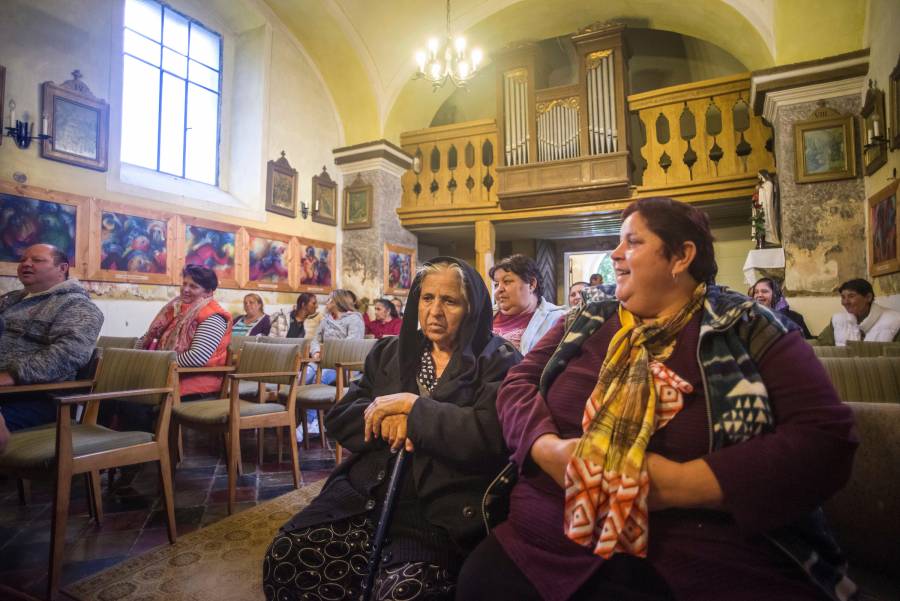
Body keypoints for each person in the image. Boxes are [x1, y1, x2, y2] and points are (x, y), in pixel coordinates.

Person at [458, 197, 858, 601]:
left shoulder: (747, 326)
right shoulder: (586, 319)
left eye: (632, 242)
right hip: (543, 541)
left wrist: (676, 485)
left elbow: (825, 440)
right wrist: (550, 450)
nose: (614, 254)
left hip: (700, 555)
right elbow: (517, 384)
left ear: (681, 256)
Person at [263, 257, 520, 601]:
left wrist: (415, 413)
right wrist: (388, 419)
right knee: (287, 556)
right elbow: (341, 417)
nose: (435, 311)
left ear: (472, 308)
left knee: (403, 592)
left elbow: (488, 433)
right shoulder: (390, 352)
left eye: (450, 301)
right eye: (428, 298)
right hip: (365, 497)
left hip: (435, 513)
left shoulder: (498, 359)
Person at [0, 244, 104, 431]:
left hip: (35, 399)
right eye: (23, 260)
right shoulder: (11, 300)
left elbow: (69, 354)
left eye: (37, 260)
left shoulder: (77, 306)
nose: (26, 264)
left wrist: (11, 375)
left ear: (62, 269)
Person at [137, 265, 232, 399]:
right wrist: (134, 356)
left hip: (194, 385)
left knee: (128, 403)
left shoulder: (214, 316)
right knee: (113, 392)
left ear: (208, 292)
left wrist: (156, 364)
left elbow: (197, 357)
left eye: (193, 286)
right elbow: (148, 337)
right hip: (168, 377)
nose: (185, 289)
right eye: (184, 284)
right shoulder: (178, 310)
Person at [491, 254, 565, 355]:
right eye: (496, 284)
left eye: (507, 281)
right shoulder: (485, 315)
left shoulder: (558, 320)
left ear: (531, 284)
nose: (499, 289)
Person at [818, 278, 900, 345]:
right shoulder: (839, 320)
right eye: (843, 297)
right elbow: (821, 344)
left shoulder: (895, 321)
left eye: (851, 296)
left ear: (868, 297)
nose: (845, 302)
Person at [310, 289, 365, 385]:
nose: (326, 303)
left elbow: (351, 345)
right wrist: (316, 352)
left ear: (337, 302)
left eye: (329, 300)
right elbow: (316, 340)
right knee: (304, 377)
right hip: (322, 361)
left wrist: (329, 355)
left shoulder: (354, 319)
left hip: (343, 365)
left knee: (318, 380)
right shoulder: (325, 320)